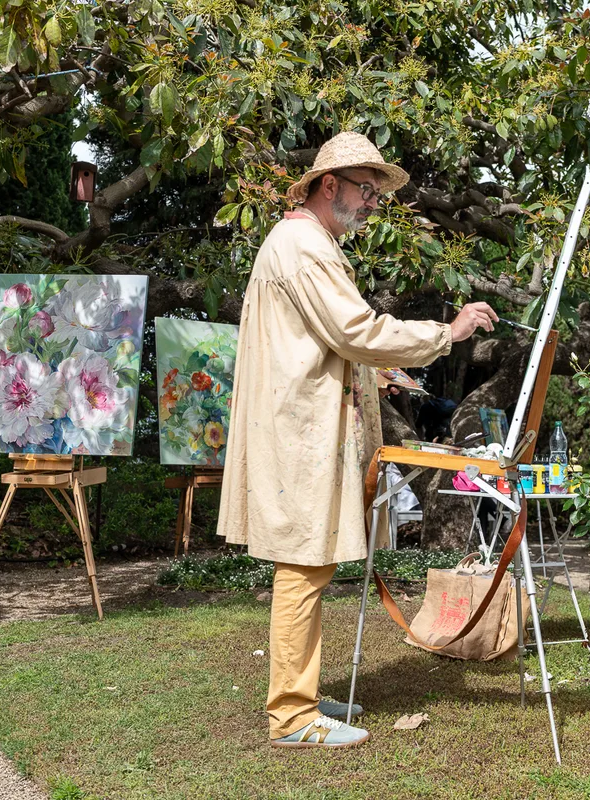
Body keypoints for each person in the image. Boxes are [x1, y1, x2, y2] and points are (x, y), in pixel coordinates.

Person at [216, 132, 498, 749]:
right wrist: (445, 333)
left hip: (302, 422)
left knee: (309, 564)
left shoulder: (307, 244)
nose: (373, 203)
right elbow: (355, 331)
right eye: (365, 190)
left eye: (375, 191)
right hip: (297, 428)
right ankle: (292, 716)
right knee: (302, 564)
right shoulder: (303, 247)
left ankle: (303, 694)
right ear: (328, 186)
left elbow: (334, 342)